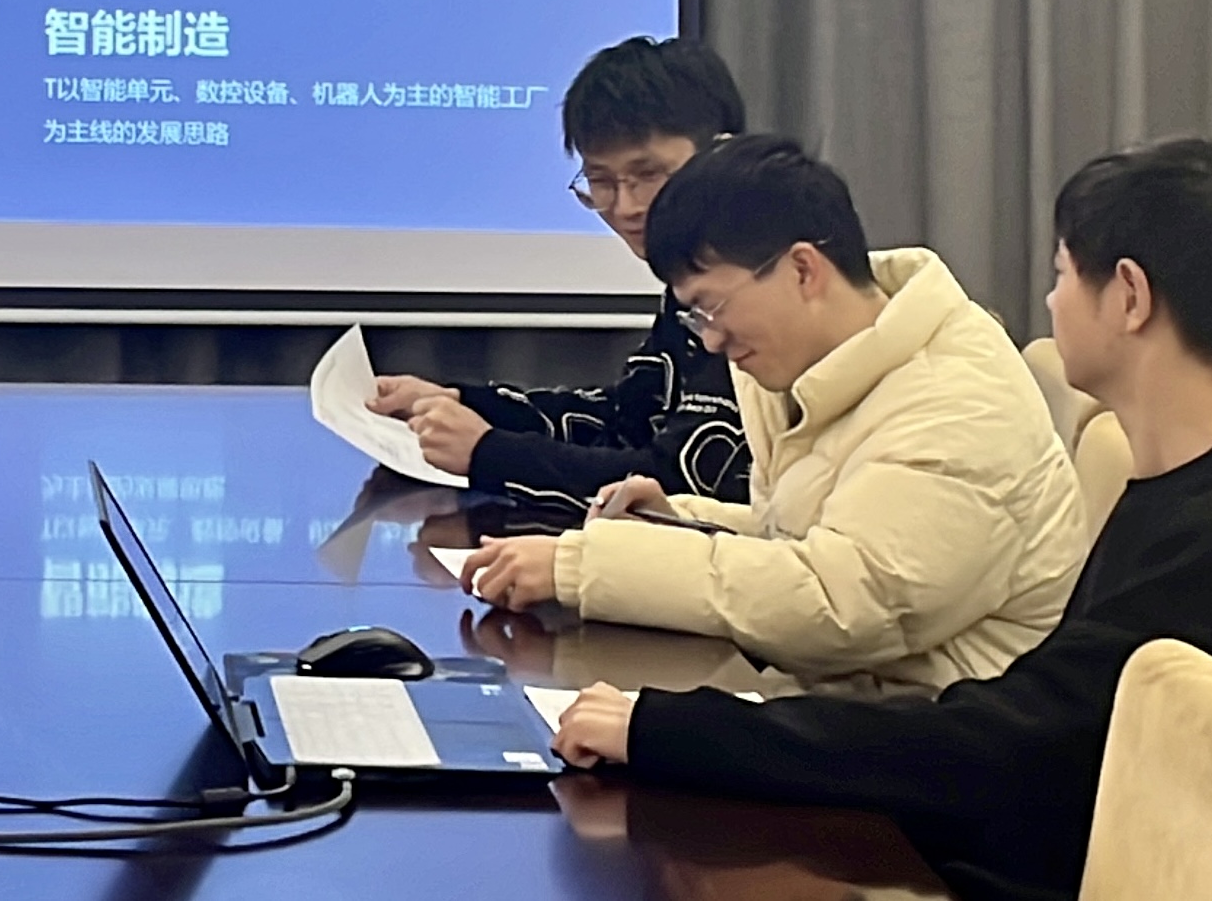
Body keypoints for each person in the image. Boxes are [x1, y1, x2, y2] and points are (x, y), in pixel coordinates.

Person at [552, 138, 1212, 901]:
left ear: (1129, 297)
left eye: (1061, 274)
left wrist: (671, 732)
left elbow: (1006, 749)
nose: (1050, 304)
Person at [461, 134, 1085, 693]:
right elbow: (806, 537)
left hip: (928, 747)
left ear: (803, 269)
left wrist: (586, 567)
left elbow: (840, 606)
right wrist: (681, 521)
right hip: (843, 707)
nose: (710, 340)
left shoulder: (955, 406)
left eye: (711, 307)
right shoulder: (824, 361)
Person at [368, 36, 755, 509]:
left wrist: (489, 453)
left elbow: (680, 480)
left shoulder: (756, 283)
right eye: (602, 181)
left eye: (649, 175)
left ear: (720, 155)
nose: (626, 206)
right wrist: (462, 404)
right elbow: (626, 419)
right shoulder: (690, 273)